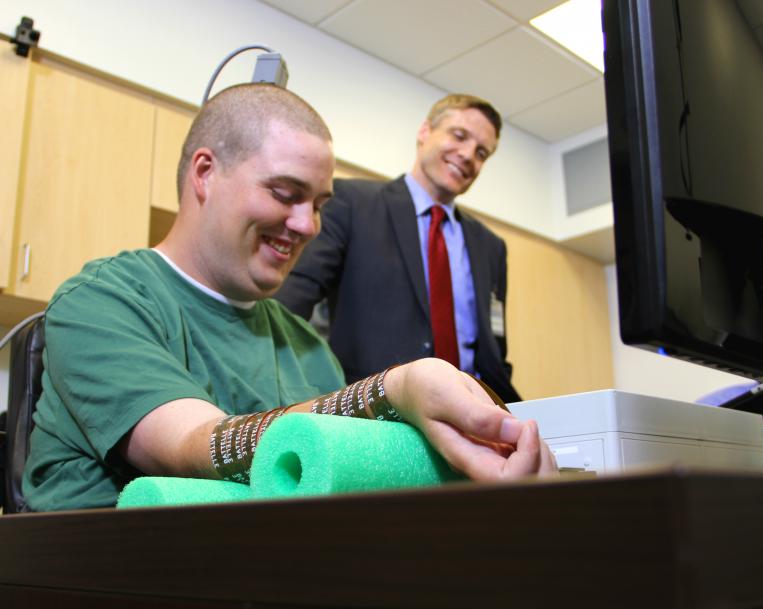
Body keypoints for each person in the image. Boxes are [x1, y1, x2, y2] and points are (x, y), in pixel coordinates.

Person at [23, 84, 556, 512]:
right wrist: (394, 390)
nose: (307, 225)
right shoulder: (99, 302)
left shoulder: (305, 345)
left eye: (319, 203)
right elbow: (192, 446)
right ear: (205, 173)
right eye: (284, 194)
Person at [276, 94, 522, 403]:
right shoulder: (351, 203)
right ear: (424, 131)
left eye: (481, 152)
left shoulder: (491, 247)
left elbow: (495, 348)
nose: (468, 155)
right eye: (459, 136)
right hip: (381, 411)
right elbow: (290, 303)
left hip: (476, 411)